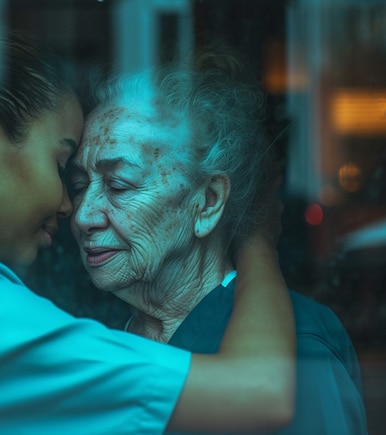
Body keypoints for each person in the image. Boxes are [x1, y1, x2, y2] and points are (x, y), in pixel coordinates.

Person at [0, 17, 296, 434]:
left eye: (119, 184)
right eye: (64, 168)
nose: (72, 208)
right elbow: (262, 391)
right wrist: (255, 234)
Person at [69, 46, 367, 434]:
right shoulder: (98, 340)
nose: (82, 216)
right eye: (79, 185)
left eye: (119, 185)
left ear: (207, 202)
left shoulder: (298, 343)